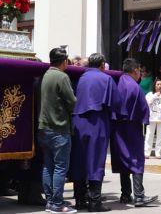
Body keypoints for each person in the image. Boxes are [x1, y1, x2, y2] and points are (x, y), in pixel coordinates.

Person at [71, 53, 117, 212]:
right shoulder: (106, 79)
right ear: (102, 65)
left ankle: (79, 200)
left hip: (78, 121)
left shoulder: (80, 77)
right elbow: (114, 103)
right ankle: (94, 202)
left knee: (79, 160)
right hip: (97, 122)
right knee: (96, 161)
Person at [111, 59, 158, 207]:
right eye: (139, 71)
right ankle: (139, 195)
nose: (140, 74)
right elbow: (143, 108)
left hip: (118, 127)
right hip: (131, 126)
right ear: (135, 70)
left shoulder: (118, 82)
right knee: (136, 158)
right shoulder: (134, 86)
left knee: (123, 157)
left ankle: (125, 194)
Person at [38, 47, 77, 214]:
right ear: (63, 61)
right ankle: (57, 203)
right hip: (59, 128)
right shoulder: (62, 77)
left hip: (44, 128)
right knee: (61, 167)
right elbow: (72, 101)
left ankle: (50, 201)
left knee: (48, 166)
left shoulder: (46, 75)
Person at [144, 80, 161, 159]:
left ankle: (158, 153)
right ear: (154, 85)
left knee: (160, 136)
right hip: (151, 118)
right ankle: (147, 153)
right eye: (157, 84)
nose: (159, 86)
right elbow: (146, 104)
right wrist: (155, 96)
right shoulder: (150, 94)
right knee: (149, 136)